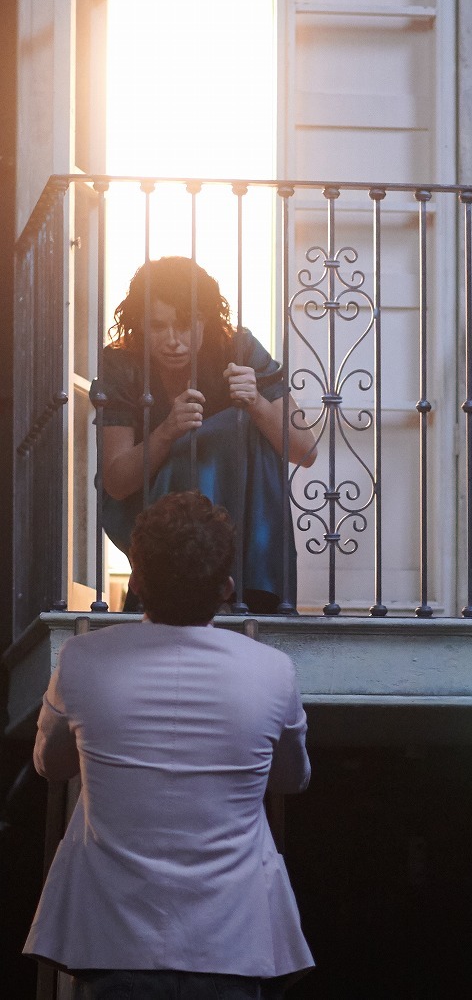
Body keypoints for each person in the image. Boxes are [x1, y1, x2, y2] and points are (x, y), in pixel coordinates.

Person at [24, 491, 314, 999]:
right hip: (233, 942)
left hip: (113, 939)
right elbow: (291, 779)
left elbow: (50, 767)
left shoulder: (81, 660)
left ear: (136, 584)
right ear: (226, 587)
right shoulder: (273, 671)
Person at [91, 256, 316, 613]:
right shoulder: (122, 363)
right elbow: (116, 483)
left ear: (206, 320)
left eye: (184, 325)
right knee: (213, 435)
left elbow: (305, 451)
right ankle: (180, 578)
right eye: (158, 326)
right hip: (151, 510)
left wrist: (257, 402)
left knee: (239, 425)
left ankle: (249, 591)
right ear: (138, 325)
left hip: (240, 521)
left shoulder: (237, 347)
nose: (172, 340)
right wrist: (167, 432)